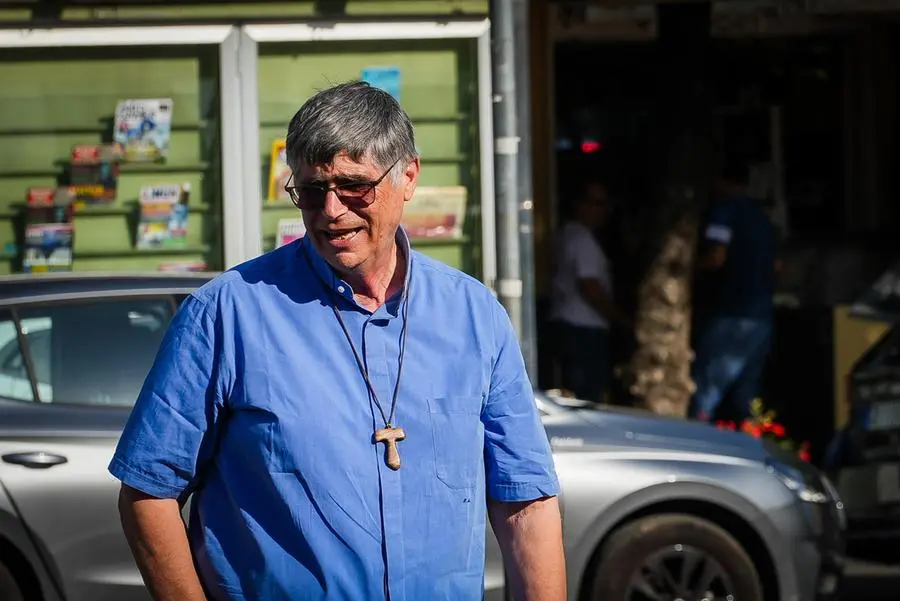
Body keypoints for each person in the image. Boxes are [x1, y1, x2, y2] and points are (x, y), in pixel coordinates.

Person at [109, 81, 566, 601]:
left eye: (354, 186)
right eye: (311, 190)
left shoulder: (475, 315)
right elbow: (147, 493)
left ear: (408, 176)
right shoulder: (225, 314)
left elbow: (525, 502)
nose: (331, 210)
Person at [689, 159, 778, 423]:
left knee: (706, 393)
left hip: (732, 312)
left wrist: (686, 271)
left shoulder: (724, 211)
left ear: (719, 181)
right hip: (761, 318)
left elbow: (717, 257)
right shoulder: (761, 217)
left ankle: (694, 447)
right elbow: (778, 265)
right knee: (746, 399)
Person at [549, 181, 629, 403]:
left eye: (605, 204)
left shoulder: (565, 234)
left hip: (566, 323)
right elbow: (590, 287)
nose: (602, 210)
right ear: (578, 205)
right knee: (587, 398)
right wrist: (619, 319)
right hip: (584, 329)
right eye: (596, 203)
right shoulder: (582, 239)